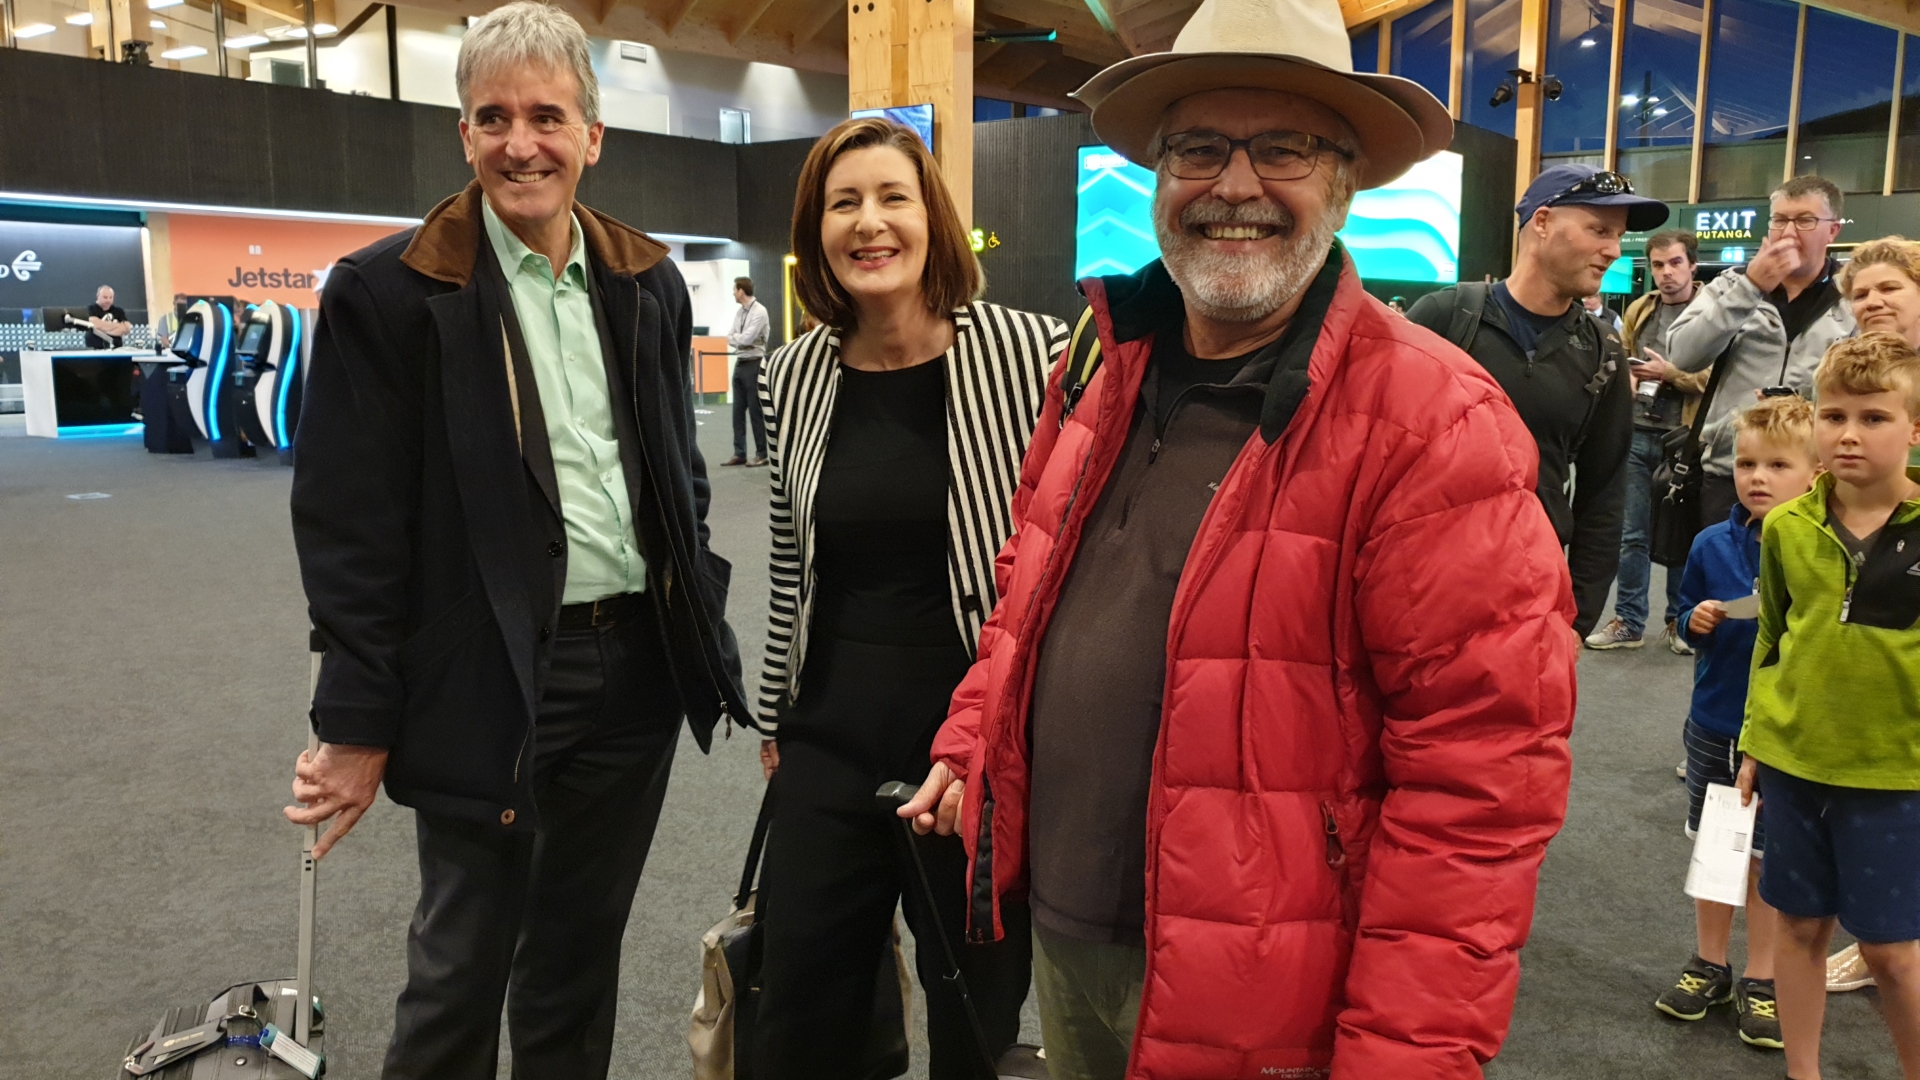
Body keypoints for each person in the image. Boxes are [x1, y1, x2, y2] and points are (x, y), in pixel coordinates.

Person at [899, 0, 1581, 1073]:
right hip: (1071, 936)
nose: (1235, 186)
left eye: (1284, 149)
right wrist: (974, 736)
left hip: (1276, 994)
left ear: (1346, 182)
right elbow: (1023, 601)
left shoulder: (1437, 422)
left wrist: (1406, 1053)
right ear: (1158, 176)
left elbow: (1482, 788)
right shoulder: (1097, 366)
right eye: (1200, 148)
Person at [283, 6, 748, 1077]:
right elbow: (347, 527)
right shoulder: (392, 293)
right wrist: (355, 718)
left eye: (547, 115)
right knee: (460, 972)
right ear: (463, 135)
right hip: (483, 675)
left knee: (577, 967)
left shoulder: (646, 281)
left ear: (593, 136)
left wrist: (699, 608)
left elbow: (674, 470)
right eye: (492, 117)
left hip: (632, 673)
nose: (520, 143)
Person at [749, 116, 1065, 1078]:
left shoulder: (1027, 354)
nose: (869, 223)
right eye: (844, 203)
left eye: (893, 197)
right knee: (799, 1019)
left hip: (970, 751)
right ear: (817, 233)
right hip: (828, 741)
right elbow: (788, 563)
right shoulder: (792, 373)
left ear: (934, 217)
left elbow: (1056, 562)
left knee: (972, 1020)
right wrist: (775, 717)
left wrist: (1018, 738)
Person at [1734, 332, 1920, 1080]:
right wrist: (1753, 740)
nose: (1848, 433)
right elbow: (1772, 639)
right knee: (1799, 928)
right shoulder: (1786, 527)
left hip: (1895, 771)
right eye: (1833, 415)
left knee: (1890, 952)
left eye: (1874, 417)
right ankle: (1801, 1071)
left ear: (1914, 427)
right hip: (1794, 761)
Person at [1407, 162, 1664, 638]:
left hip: (1528, 594)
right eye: (1599, 230)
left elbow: (1603, 497)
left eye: (1618, 235)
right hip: (1420, 582)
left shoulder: (1603, 351)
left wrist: (1577, 620)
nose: (1613, 250)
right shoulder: (1444, 318)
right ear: (1542, 223)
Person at [1656, 396, 1816, 1050]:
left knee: (1766, 861)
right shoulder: (1709, 543)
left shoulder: (1818, 550)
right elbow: (1687, 612)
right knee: (1717, 850)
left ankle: (1761, 976)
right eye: (1747, 462)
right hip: (1716, 722)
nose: (1756, 476)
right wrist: (1694, 621)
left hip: (1787, 735)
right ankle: (1709, 962)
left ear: (1814, 473)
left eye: (1777, 464)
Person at [1666, 175, 1855, 527]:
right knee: (1724, 575)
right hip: (1733, 471)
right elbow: (1682, 356)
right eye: (1780, 220)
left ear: (1832, 231)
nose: (1789, 232)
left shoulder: (1854, 297)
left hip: (1819, 476)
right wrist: (1751, 287)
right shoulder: (1731, 284)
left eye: (1805, 220)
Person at [1587, 229, 1712, 652]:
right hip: (1638, 430)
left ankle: (1680, 621)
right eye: (1658, 265)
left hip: (1687, 439)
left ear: (1692, 265)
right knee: (1631, 535)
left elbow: (1716, 378)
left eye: (1675, 263)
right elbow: (1618, 358)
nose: (1666, 273)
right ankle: (1629, 620)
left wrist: (1669, 375)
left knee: (1683, 535)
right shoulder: (1641, 309)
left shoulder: (1713, 312)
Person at [722, 275, 770, 466]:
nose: (733, 293)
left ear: (741, 291)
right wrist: (738, 339)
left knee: (755, 411)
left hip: (755, 363)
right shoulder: (740, 313)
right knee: (737, 411)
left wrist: (738, 339)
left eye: (734, 289)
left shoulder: (760, 311)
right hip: (741, 363)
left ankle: (762, 453)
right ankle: (739, 453)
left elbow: (746, 339)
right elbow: (730, 336)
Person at [85, 284, 131, 349]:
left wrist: (102, 330)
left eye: (110, 297)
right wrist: (117, 325)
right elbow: (94, 324)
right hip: (95, 349)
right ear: (98, 296)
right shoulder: (90, 309)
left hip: (116, 350)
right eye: (105, 297)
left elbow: (126, 328)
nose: (108, 300)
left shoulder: (119, 311)